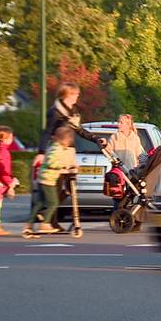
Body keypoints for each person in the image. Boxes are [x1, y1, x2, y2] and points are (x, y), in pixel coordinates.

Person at [32, 82, 107, 228]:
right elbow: (47, 132)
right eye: (75, 94)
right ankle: (49, 220)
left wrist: (96, 139)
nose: (77, 97)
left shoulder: (74, 110)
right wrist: (41, 152)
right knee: (56, 186)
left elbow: (79, 130)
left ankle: (47, 214)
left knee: (68, 188)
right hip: (58, 152)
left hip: (70, 152)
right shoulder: (55, 112)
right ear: (67, 94)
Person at [24, 127, 76, 235]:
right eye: (68, 141)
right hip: (48, 180)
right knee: (53, 202)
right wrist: (64, 166)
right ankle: (45, 223)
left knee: (39, 202)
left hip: (42, 178)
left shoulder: (53, 147)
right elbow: (52, 162)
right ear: (64, 140)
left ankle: (29, 224)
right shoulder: (56, 149)